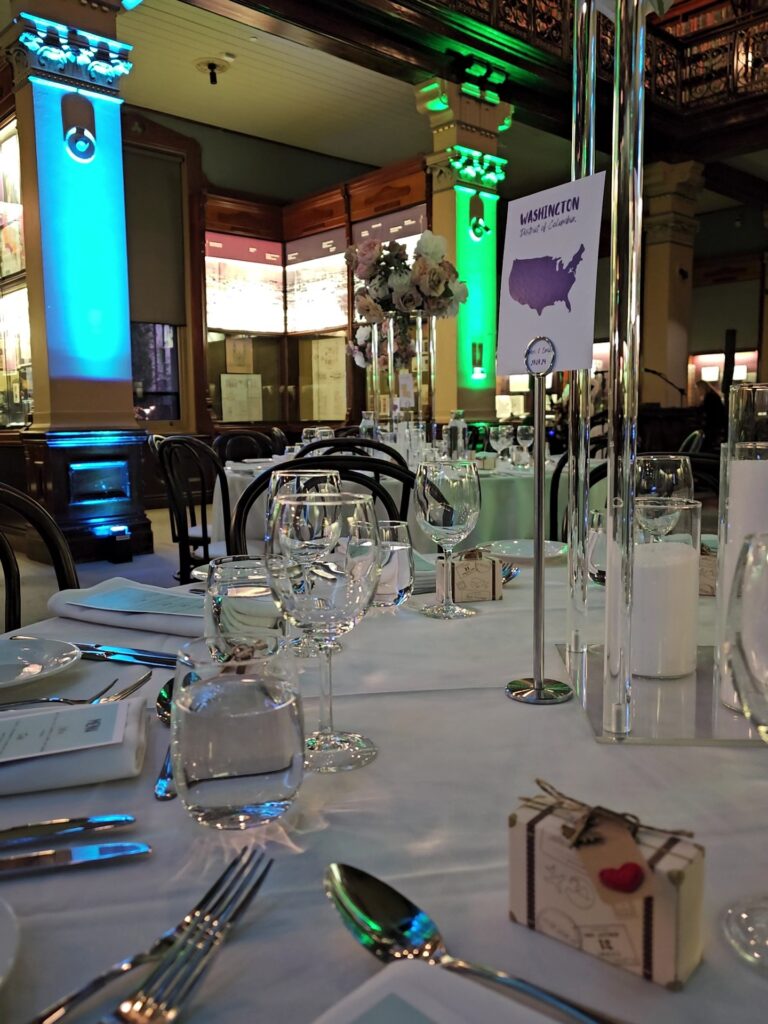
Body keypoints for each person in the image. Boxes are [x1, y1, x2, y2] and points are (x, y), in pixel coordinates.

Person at [695, 379, 727, 452]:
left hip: (713, 425)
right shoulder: (713, 395)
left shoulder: (709, 397)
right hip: (716, 424)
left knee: (706, 445)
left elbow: (710, 414)